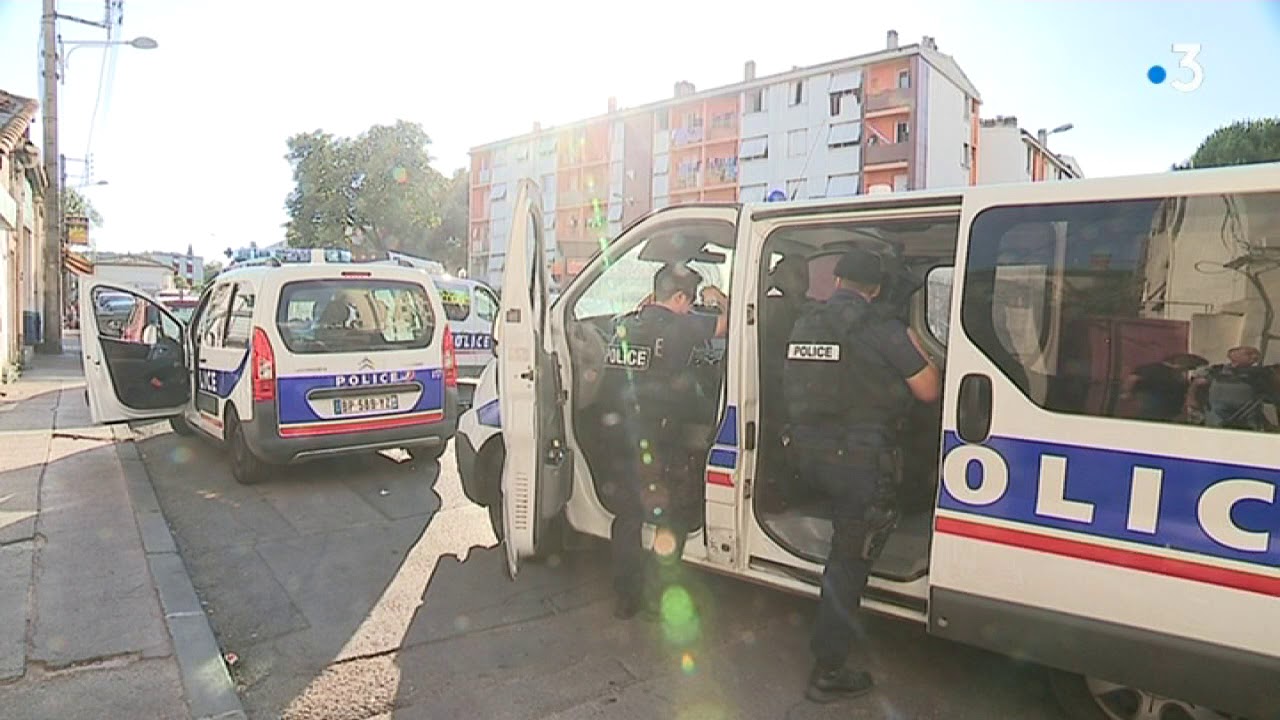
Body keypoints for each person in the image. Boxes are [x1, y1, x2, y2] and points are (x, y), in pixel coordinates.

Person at [782, 248, 940, 703]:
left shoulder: (805, 323)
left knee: (848, 535)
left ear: (836, 281)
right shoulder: (881, 329)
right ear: (874, 289)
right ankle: (827, 669)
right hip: (858, 460)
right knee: (849, 559)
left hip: (808, 456)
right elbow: (928, 390)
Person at [608, 263, 728, 620]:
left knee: (627, 517)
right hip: (663, 441)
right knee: (670, 517)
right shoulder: (682, 326)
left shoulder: (625, 324)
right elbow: (733, 321)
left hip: (626, 435)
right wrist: (717, 298)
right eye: (688, 302)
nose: (691, 309)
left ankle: (626, 597)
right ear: (678, 298)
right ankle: (657, 595)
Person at [1187, 346, 1276, 430]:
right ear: (1233, 355)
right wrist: (1191, 399)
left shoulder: (1259, 375)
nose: (1253, 358)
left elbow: (1268, 395)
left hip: (1247, 418)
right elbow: (1197, 383)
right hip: (1218, 417)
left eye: (1254, 356)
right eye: (1248, 354)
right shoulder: (1217, 371)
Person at [1119, 353, 1207, 421]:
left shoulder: (1178, 380)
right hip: (1154, 407)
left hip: (1166, 412)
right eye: (1189, 368)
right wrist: (1127, 392)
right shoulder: (1156, 369)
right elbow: (1134, 377)